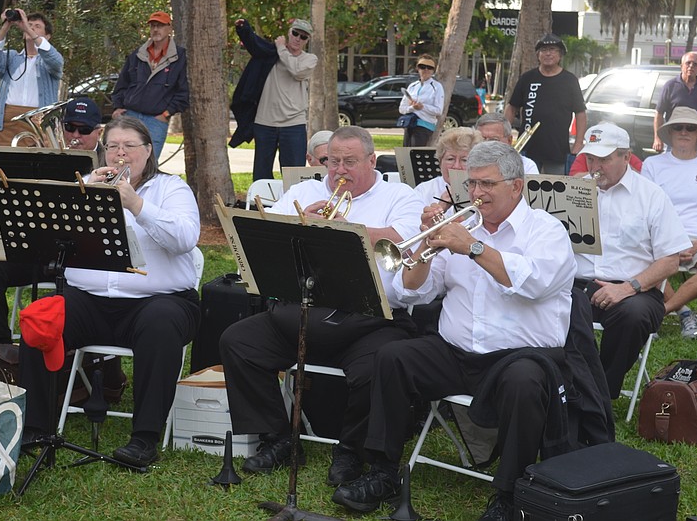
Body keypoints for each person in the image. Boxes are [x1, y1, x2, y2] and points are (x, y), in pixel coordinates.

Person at [331, 141, 577, 520]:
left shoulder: (547, 232)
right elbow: (412, 290)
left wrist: (473, 247)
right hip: (456, 352)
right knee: (394, 357)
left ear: (516, 186)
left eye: (487, 184)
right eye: (472, 184)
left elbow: (535, 284)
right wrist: (425, 247)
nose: (477, 193)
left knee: (525, 382)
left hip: (519, 358)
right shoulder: (460, 229)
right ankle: (382, 472)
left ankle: (508, 495)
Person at [219, 126, 424, 486]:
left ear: (372, 161)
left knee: (377, 368)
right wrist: (299, 224)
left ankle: (350, 452)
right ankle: (279, 438)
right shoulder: (304, 191)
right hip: (301, 312)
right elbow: (262, 240)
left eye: (350, 162)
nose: (339, 170)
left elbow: (405, 240)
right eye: (332, 162)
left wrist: (348, 229)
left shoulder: (399, 196)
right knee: (238, 342)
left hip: (370, 318)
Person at [18, 116, 201, 467]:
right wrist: (87, 196)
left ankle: (144, 438)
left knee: (161, 325)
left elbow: (184, 239)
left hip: (159, 301)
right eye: (112, 146)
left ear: (148, 151)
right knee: (41, 318)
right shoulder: (84, 184)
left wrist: (134, 203)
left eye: (129, 146)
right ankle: (36, 427)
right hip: (90, 300)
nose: (120, 154)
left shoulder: (171, 188)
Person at [0, 99, 105, 364]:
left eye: (84, 130)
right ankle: (0, 342)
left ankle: (73, 345)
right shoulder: (47, 156)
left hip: (82, 256)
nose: (75, 136)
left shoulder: (108, 159)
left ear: (99, 131)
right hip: (40, 246)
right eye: (69, 128)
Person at [574, 122, 690, 398]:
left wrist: (627, 288)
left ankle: (599, 391)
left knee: (633, 316)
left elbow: (670, 261)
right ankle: (568, 384)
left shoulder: (651, 196)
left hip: (636, 287)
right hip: (578, 282)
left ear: (626, 156)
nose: (595, 166)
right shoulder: (573, 190)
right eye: (590, 158)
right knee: (545, 304)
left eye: (604, 158)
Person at [643, 107, 697, 338]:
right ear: (669, 132)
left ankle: (663, 310)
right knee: (637, 256)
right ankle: (684, 312)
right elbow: (644, 210)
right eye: (678, 127)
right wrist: (670, 243)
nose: (684, 132)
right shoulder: (652, 165)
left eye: (690, 128)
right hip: (661, 237)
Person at [229, 18, 318, 180]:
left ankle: (293, 205)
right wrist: (243, 28)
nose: (298, 38)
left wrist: (281, 48)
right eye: (295, 33)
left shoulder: (309, 59)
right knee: (261, 174)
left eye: (303, 37)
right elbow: (255, 44)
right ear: (289, 32)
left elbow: (296, 71)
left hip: (293, 124)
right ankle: (263, 204)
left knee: (294, 176)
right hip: (265, 124)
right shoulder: (270, 54)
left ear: (307, 40)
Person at [112, 11, 189, 161]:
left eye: (160, 26)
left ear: (169, 28)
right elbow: (122, 84)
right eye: (153, 26)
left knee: (149, 165)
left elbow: (183, 92)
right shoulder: (137, 55)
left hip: (156, 120)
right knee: (123, 162)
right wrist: (117, 108)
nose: (155, 30)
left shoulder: (179, 57)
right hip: (130, 117)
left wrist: (166, 114)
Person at [505, 34, 586, 174]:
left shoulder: (570, 80)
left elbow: (580, 113)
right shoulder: (527, 78)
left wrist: (578, 144)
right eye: (543, 50)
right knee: (524, 187)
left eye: (553, 49)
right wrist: (504, 136)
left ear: (560, 55)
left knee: (556, 191)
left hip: (557, 149)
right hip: (527, 148)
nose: (548, 53)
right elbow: (512, 108)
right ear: (538, 55)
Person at [0, 9, 63, 146]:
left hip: (38, 126)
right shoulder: (12, 57)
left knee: (34, 165)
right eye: (29, 24)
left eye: (37, 26)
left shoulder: (48, 61)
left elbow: (56, 62)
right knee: (4, 166)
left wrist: (28, 29)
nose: (31, 27)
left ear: (48, 36)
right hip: (7, 126)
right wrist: (5, 27)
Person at [653, 51, 697, 154]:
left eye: (695, 64)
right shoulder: (670, 86)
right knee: (672, 168)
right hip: (673, 138)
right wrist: (657, 138)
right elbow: (659, 114)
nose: (691, 66)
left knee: (695, 169)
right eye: (688, 63)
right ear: (681, 66)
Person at [413, 127, 483, 203]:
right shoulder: (423, 191)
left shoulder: (484, 192)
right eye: (450, 159)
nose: (456, 166)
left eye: (464, 160)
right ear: (440, 161)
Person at [398, 54, 445, 146]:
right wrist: (412, 108)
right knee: (405, 154)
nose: (426, 70)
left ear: (433, 70)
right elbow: (402, 109)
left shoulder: (437, 87)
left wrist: (422, 107)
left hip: (424, 126)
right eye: (422, 67)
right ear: (418, 68)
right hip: (410, 124)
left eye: (430, 67)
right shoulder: (413, 86)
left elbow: (438, 110)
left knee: (415, 154)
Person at [475, 112, 539, 174]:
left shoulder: (526, 166)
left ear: (509, 140)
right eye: (482, 139)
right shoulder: (466, 162)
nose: (487, 145)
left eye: (494, 140)